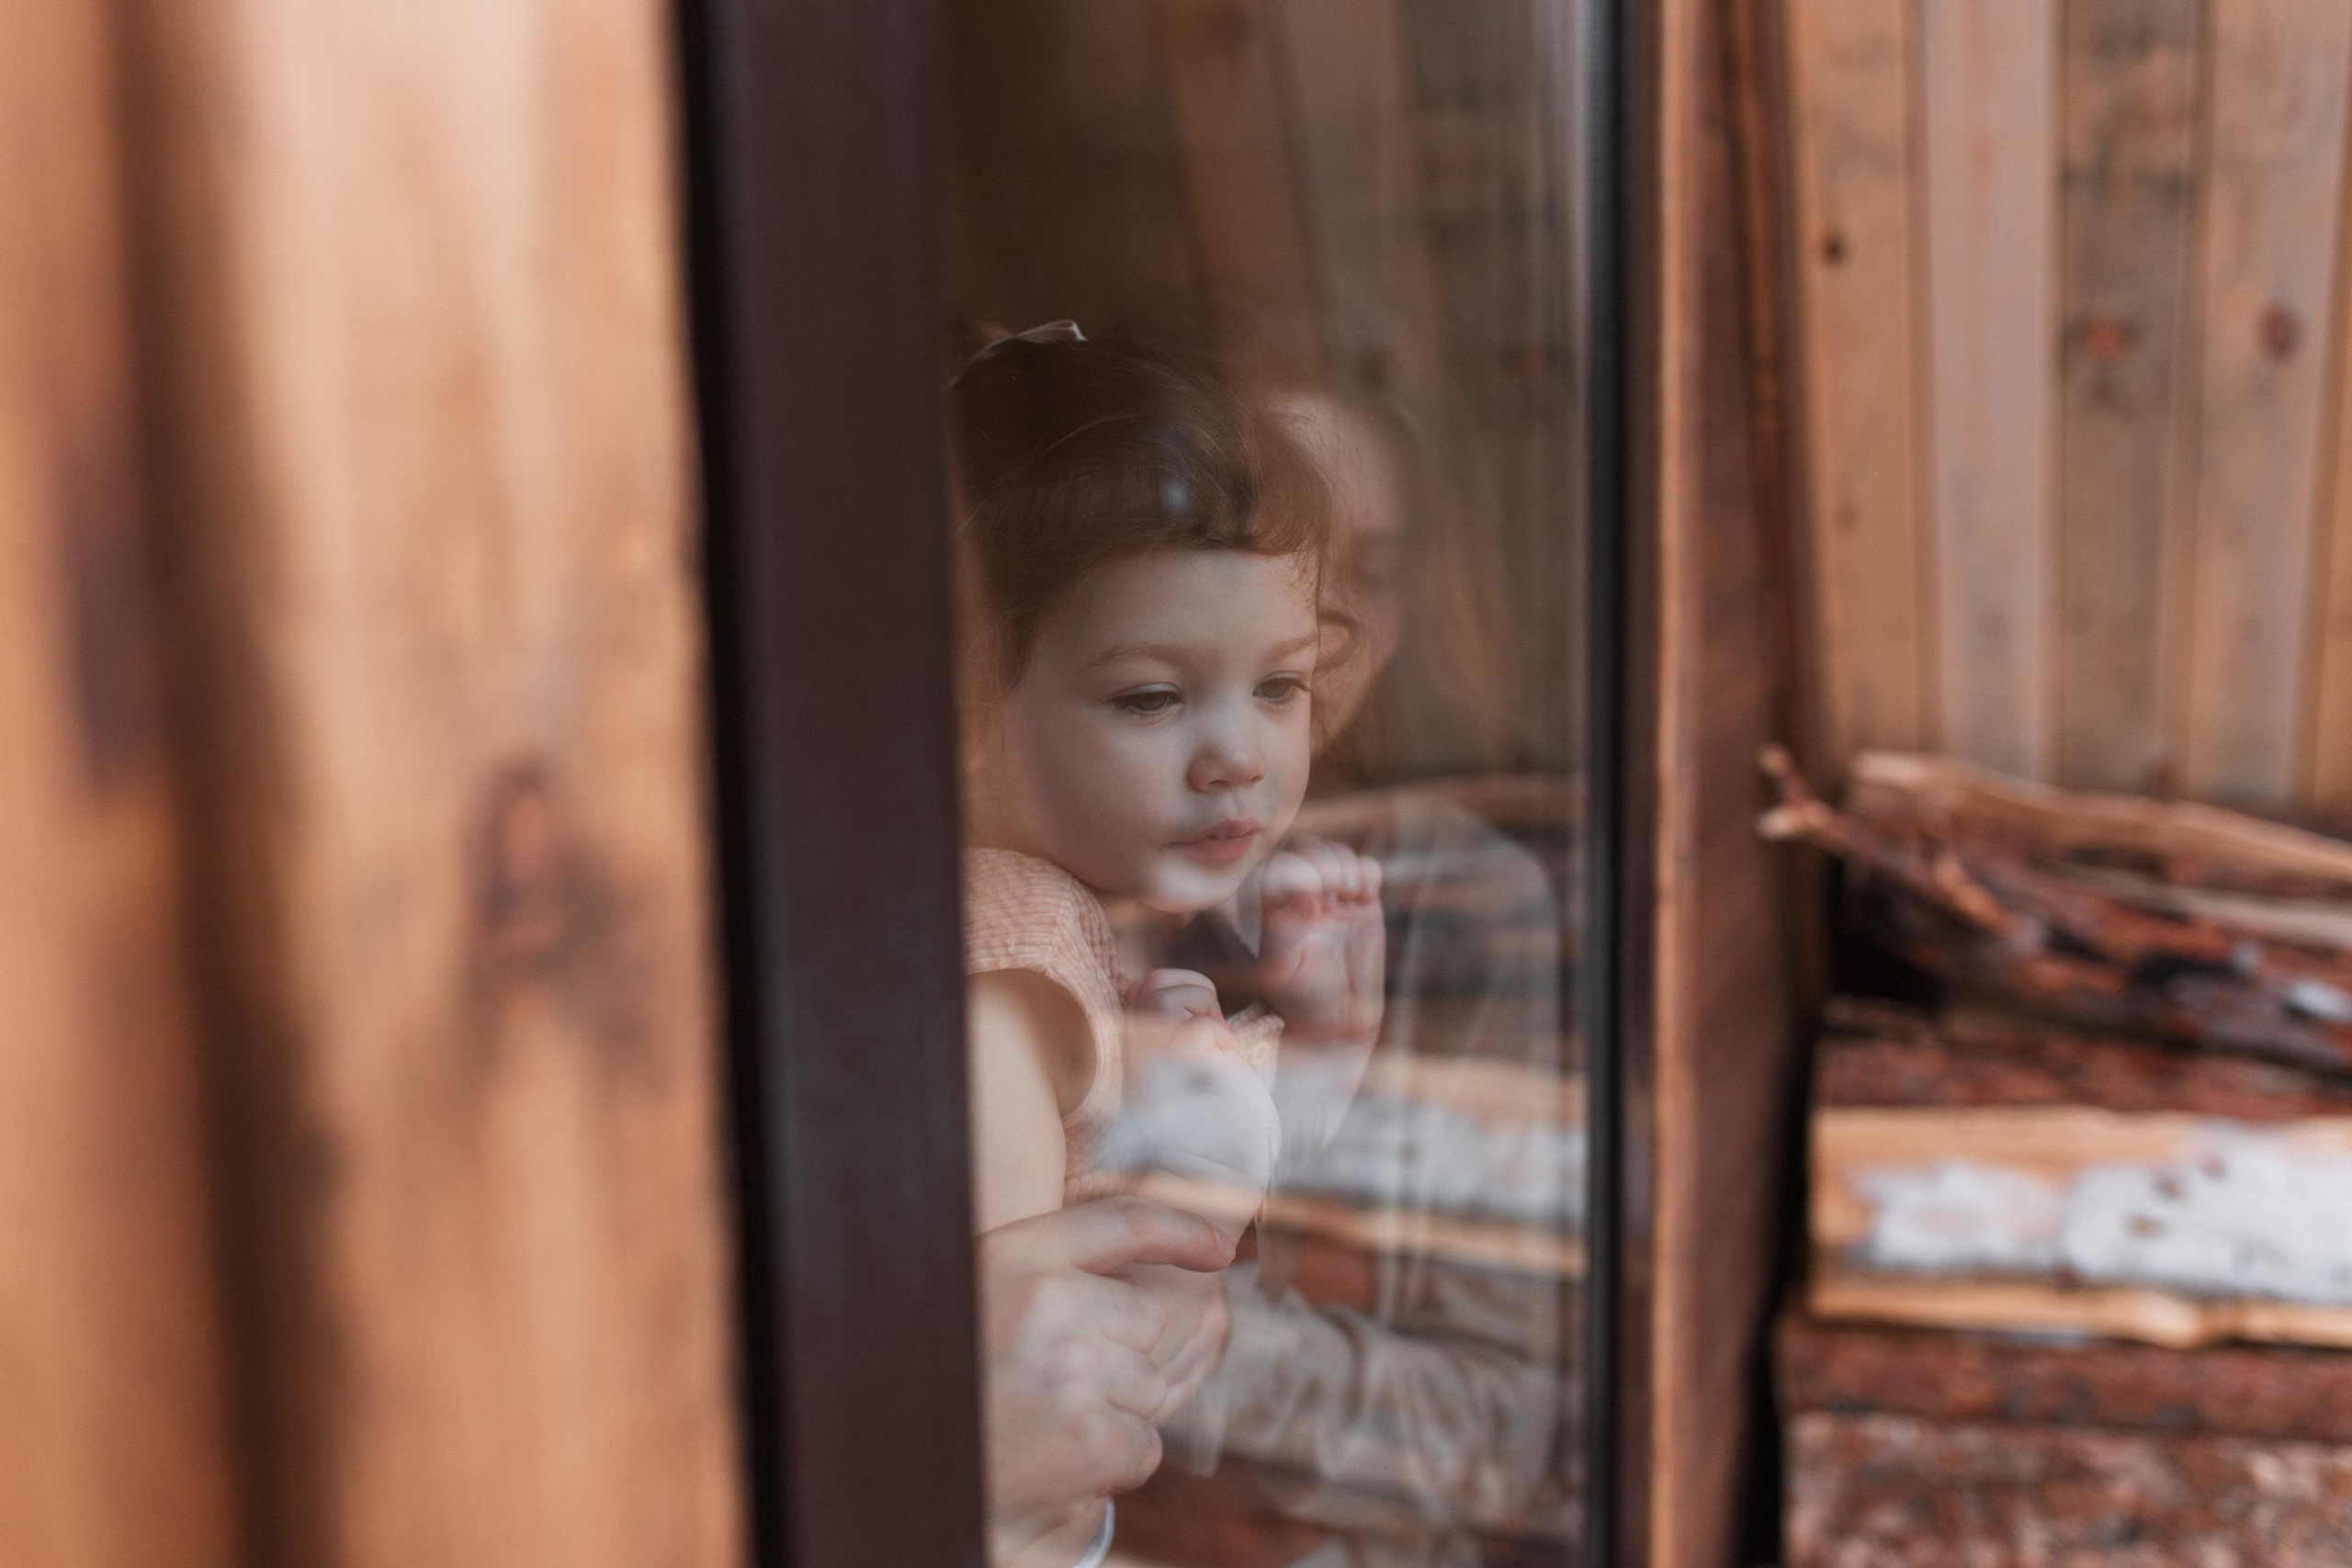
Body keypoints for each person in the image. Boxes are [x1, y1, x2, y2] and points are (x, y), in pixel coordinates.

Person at [946, 326, 1392, 1558]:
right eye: (1151, 696)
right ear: (970, 704)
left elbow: (1186, 1219)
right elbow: (1022, 1358)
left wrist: (1323, 1043)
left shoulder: (1096, 927)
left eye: (1281, 686)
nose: (1238, 756)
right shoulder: (1009, 971)